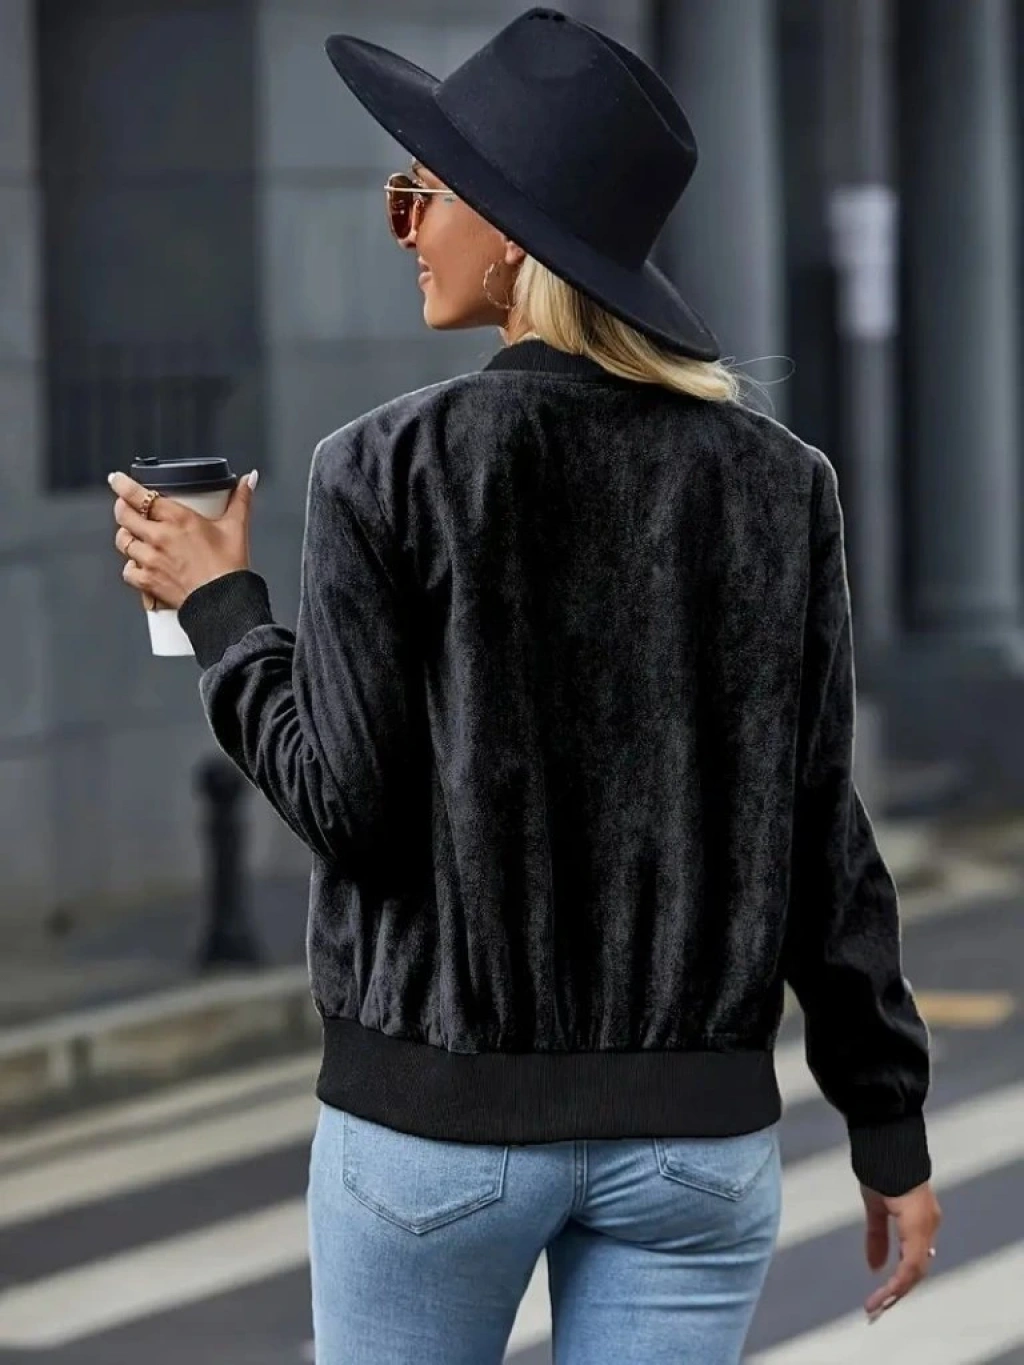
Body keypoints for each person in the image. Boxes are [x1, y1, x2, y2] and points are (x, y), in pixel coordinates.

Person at [107, 8, 941, 1363]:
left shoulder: (387, 468)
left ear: (509, 233)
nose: (403, 230)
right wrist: (887, 1122)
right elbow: (816, 834)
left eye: (417, 198)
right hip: (692, 1147)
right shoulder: (780, 486)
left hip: (438, 1128)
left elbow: (347, 805)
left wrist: (221, 613)